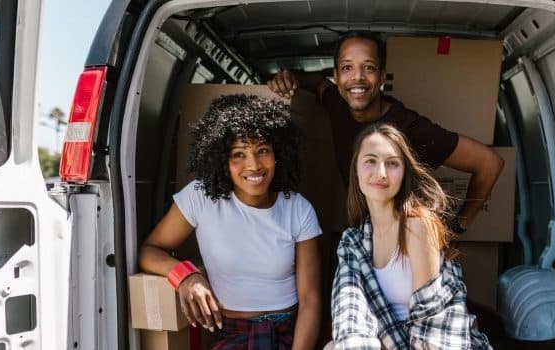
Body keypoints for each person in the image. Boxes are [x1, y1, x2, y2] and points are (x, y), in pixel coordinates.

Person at [267, 31, 504, 231]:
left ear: (382, 76)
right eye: (347, 67)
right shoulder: (337, 104)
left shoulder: (408, 126)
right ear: (337, 76)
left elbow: (490, 163)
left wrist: (458, 227)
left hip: (403, 239)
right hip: (360, 233)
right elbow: (318, 83)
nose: (357, 77)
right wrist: (290, 79)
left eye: (368, 67)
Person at [138, 94, 321, 349]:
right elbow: (149, 251)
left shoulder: (298, 209)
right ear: (221, 158)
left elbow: (310, 299)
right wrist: (186, 277)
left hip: (287, 334)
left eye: (263, 150)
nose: (254, 165)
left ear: (278, 154)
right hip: (232, 334)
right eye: (238, 154)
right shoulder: (199, 197)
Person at [330, 123, 491, 349]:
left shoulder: (417, 226)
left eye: (392, 163)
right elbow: (349, 312)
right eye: (370, 161)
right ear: (355, 170)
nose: (381, 172)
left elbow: (432, 322)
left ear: (404, 172)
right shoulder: (354, 241)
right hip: (384, 340)